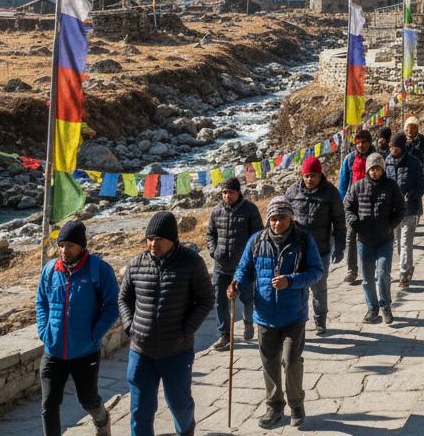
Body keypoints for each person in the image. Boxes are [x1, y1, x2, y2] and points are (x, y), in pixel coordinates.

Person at [229, 196, 323, 430]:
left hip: (293, 314)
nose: (276, 223)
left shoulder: (303, 240)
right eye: (273, 219)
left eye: (281, 218)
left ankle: (296, 404)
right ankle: (274, 406)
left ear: (290, 218)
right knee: (269, 363)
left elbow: (316, 272)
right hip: (264, 316)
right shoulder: (256, 241)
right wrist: (237, 283)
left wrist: (290, 281)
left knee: (291, 361)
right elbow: (244, 268)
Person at [119, 212, 213, 436]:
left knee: (180, 405)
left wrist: (185, 331)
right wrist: (130, 327)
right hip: (140, 353)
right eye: (150, 238)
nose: (153, 244)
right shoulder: (136, 264)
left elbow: (206, 300)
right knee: (140, 410)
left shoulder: (191, 263)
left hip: (176, 353)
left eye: (159, 239)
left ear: (173, 239)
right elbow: (123, 298)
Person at [37, 219, 118, 436]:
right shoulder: (49, 270)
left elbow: (112, 306)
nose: (64, 250)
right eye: (61, 245)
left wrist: (93, 335)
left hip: (85, 352)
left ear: (82, 246)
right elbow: (42, 302)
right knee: (49, 405)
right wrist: (44, 332)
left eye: (70, 245)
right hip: (53, 352)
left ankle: (102, 420)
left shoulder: (99, 269)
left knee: (88, 401)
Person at [284, 156, 346, 335]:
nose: (309, 179)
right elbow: (283, 216)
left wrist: (340, 246)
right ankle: (299, 321)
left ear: (320, 175)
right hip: (297, 251)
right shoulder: (292, 192)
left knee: (319, 289)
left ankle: (320, 321)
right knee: (299, 289)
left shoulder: (330, 193)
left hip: (321, 251)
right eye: (306, 176)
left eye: (313, 175)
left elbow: (339, 221)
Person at [343, 152, 407, 324]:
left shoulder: (391, 186)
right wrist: (353, 222)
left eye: (377, 169)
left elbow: (401, 209)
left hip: (385, 239)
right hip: (364, 241)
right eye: (371, 169)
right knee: (367, 278)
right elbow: (347, 206)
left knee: (384, 273)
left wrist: (390, 225)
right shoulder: (357, 187)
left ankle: (386, 306)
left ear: (382, 169)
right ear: (367, 170)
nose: (374, 172)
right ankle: (372, 308)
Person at [206, 177, 263, 349]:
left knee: (246, 298)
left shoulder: (250, 210)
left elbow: (258, 236)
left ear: (238, 193)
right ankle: (225, 334)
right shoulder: (216, 211)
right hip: (221, 266)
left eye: (230, 192)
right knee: (220, 301)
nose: (227, 196)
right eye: (224, 192)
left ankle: (248, 322)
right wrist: (213, 251)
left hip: (243, 266)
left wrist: (251, 258)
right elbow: (210, 234)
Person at [384, 132, 424, 288]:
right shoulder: (386, 162)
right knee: (399, 243)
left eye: (395, 147)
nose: (392, 150)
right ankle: (408, 268)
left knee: (406, 243)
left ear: (401, 147)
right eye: (390, 147)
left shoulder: (414, 163)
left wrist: (411, 195)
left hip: (410, 209)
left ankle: (403, 275)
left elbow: (421, 186)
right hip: (393, 211)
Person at [337, 129, 373, 283]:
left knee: (371, 238)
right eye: (357, 143)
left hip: (373, 204)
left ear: (369, 142)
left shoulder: (376, 158)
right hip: (353, 204)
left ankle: (370, 269)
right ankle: (352, 270)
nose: (360, 146)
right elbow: (343, 183)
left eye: (363, 142)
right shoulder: (350, 159)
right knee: (351, 237)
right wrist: (341, 204)